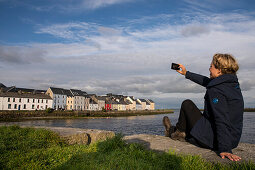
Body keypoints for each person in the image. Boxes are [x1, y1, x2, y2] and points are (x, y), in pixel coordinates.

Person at [163, 53, 244, 161]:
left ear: (219, 70)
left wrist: (225, 148)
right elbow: (208, 82)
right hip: (233, 139)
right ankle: (179, 131)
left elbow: (221, 119)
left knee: (187, 104)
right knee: (193, 125)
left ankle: (175, 132)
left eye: (211, 66)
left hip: (215, 140)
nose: (209, 68)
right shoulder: (232, 84)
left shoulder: (216, 90)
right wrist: (186, 73)